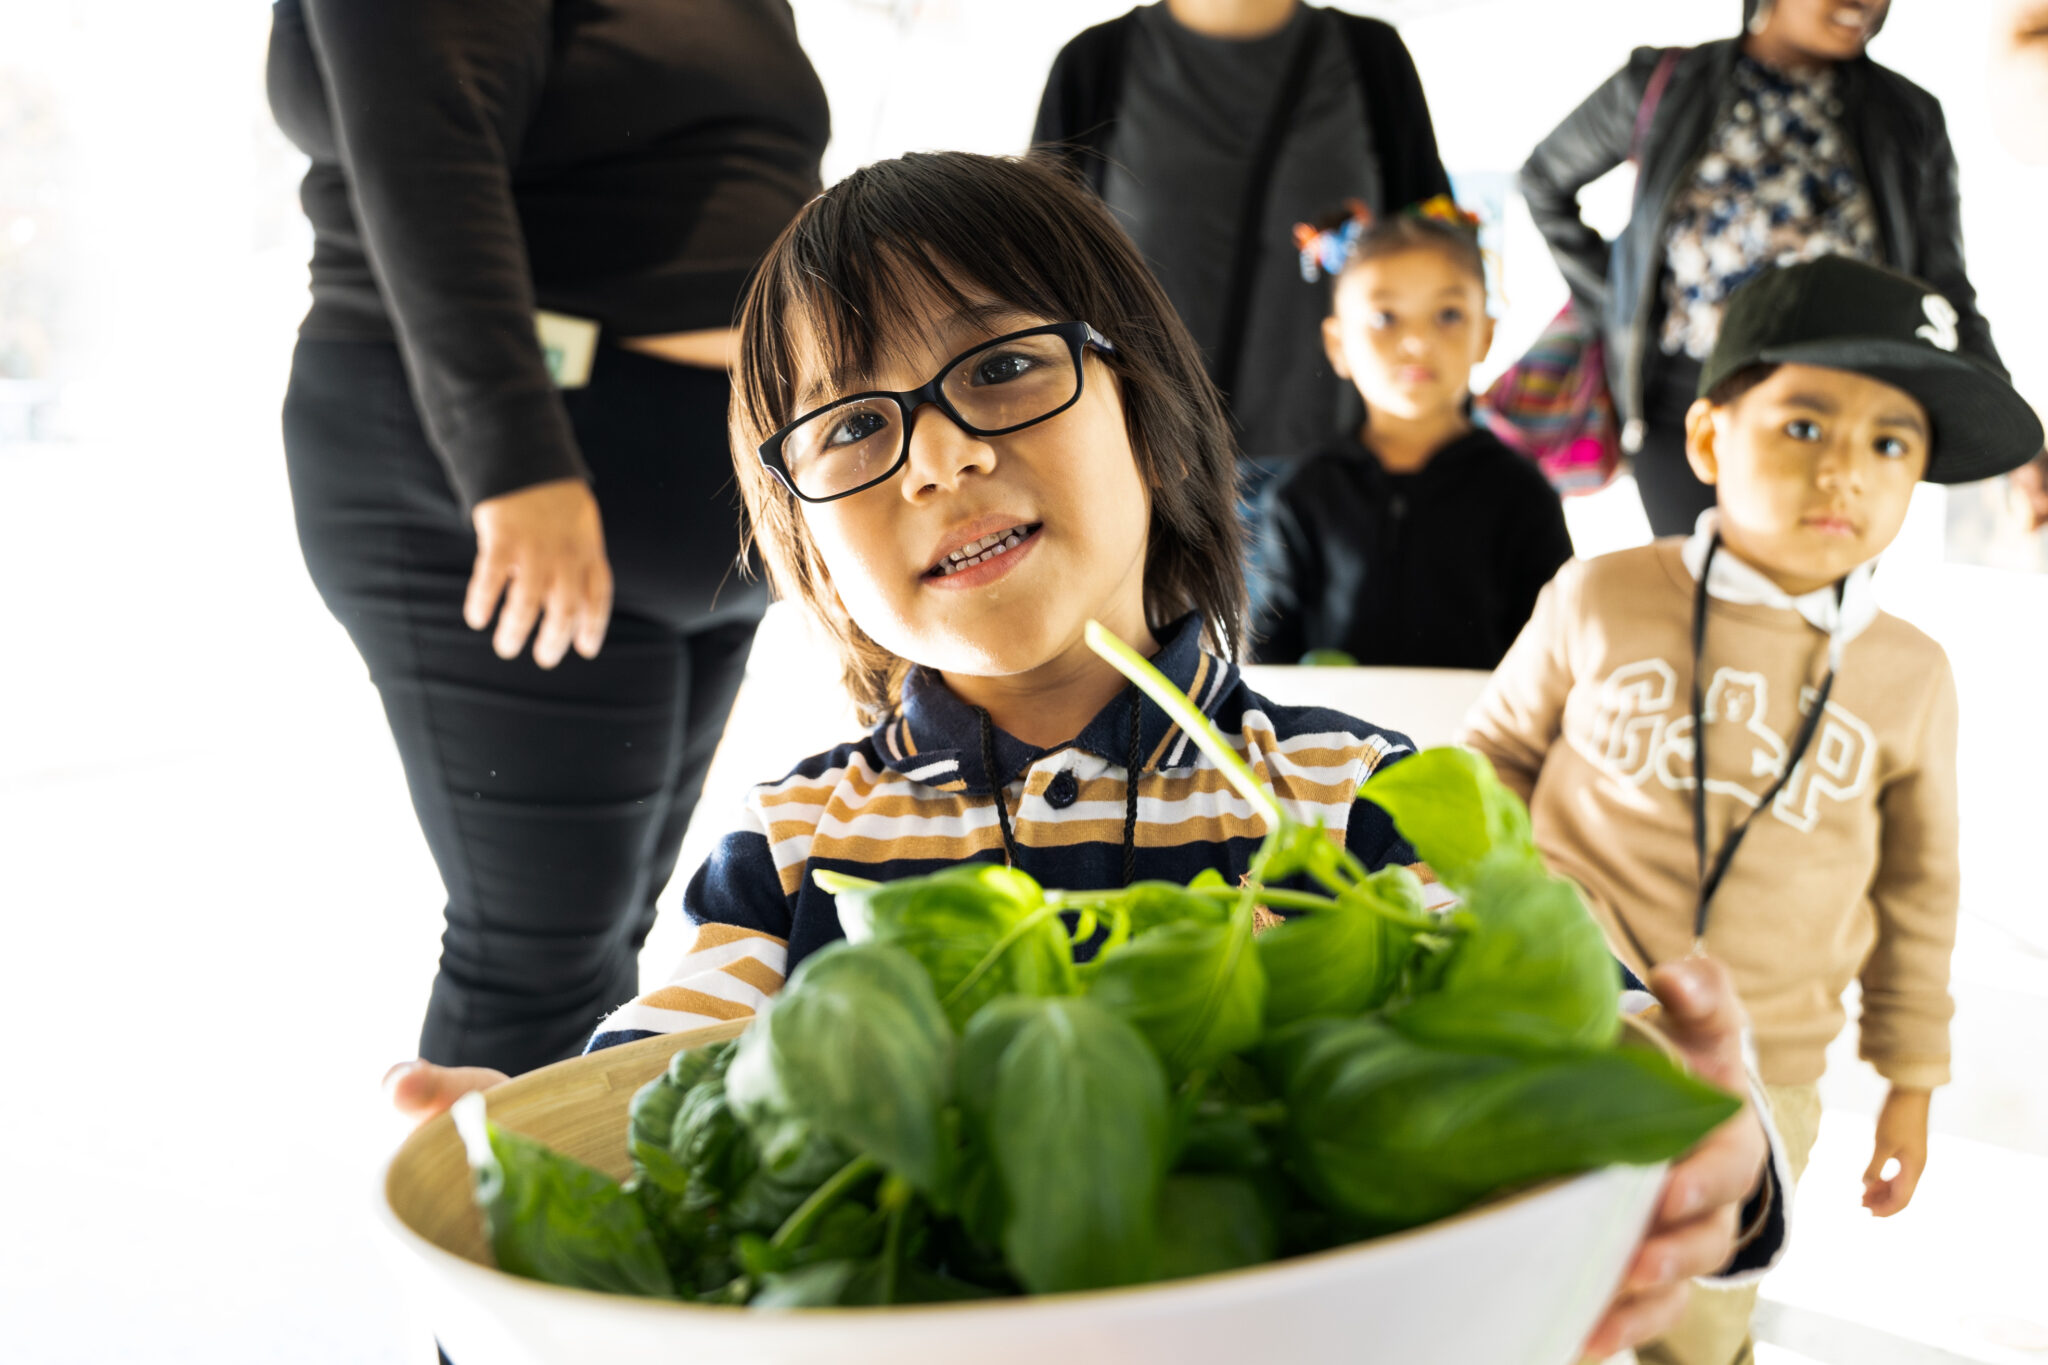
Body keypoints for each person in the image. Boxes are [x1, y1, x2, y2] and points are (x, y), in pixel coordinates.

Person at [391, 150, 1790, 1359]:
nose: (937, 460)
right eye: (855, 425)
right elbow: (669, 1088)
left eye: (1001, 367)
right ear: (801, 533)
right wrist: (523, 1154)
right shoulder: (801, 836)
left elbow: (1569, 1031)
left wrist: (1702, 1146)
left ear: (1152, 413)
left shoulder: (1344, 794)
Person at [1459, 255, 2045, 1365]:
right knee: (1532, 1283)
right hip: (1553, 1021)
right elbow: (1491, 755)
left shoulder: (1908, 674)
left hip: (1765, 1067)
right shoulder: (1601, 593)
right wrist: (1497, 907)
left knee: (1698, 1307)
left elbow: (1920, 891)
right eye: (1803, 425)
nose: (1845, 474)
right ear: (1708, 439)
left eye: (1889, 444)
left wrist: (1910, 1082)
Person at [266, 0, 830, 1077]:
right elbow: (421, 146)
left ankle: (570, 1235)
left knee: (601, 945)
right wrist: (513, 462)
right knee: (534, 964)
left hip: (695, 504)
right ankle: (480, 1244)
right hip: (495, 478)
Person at [1520, 0, 2014, 537]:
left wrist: (2005, 427)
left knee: (1813, 608)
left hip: (1848, 410)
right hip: (1688, 402)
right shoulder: (1664, 84)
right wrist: (1614, 302)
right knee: (1700, 596)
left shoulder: (1907, 115)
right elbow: (1543, 181)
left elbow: (1944, 288)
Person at [1031, 0, 1449, 493]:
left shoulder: (1371, 58)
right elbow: (1034, 286)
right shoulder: (1094, 66)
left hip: (1344, 485)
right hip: (1153, 477)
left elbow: (1441, 260)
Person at [1251, 205, 1573, 669]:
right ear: (1338, 344)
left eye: (1447, 314)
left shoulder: (1522, 494)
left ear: (1486, 335)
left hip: (1477, 739)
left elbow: (1555, 658)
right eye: (1385, 317)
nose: (1418, 341)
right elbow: (1268, 652)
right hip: (1336, 741)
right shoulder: (1304, 495)